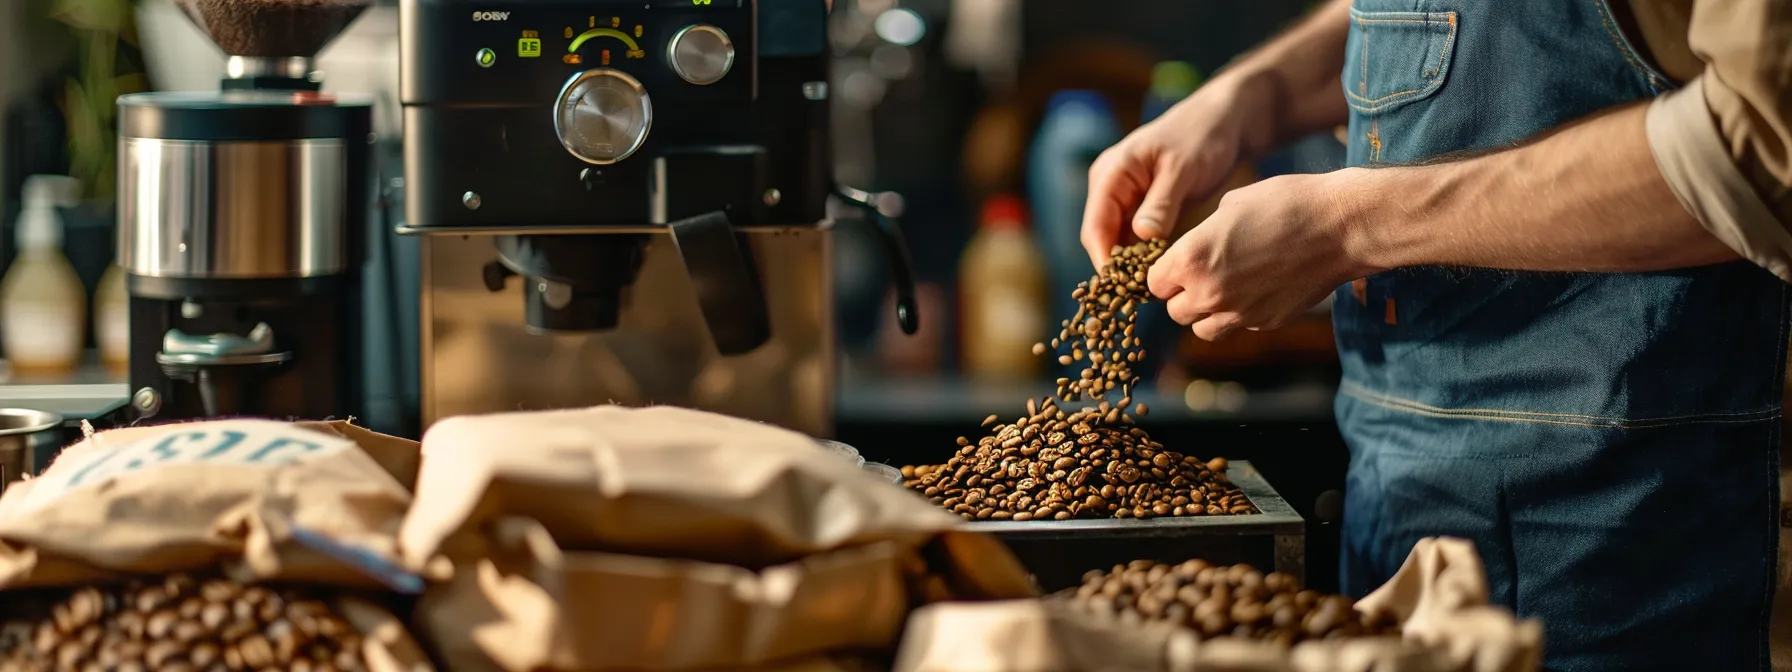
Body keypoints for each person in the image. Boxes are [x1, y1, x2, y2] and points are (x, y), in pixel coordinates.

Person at [1079, 1, 1790, 670]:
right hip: (1395, 494)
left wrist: (1347, 226)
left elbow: (1762, 145)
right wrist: (1249, 97)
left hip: (1633, 533)